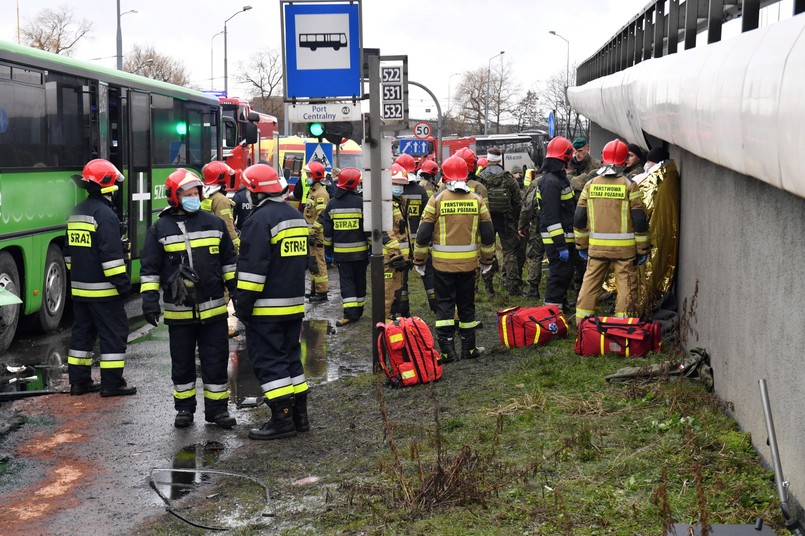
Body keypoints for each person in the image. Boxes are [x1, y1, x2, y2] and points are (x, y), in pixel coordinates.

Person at [140, 168, 237, 429]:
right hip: (179, 311)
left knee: (215, 361)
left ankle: (218, 411)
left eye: (196, 193)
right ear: (174, 196)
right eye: (187, 194)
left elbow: (229, 262)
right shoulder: (160, 228)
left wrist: (237, 291)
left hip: (214, 310)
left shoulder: (214, 223)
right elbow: (150, 269)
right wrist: (149, 300)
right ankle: (184, 409)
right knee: (182, 363)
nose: (193, 197)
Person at [234, 164, 309, 440]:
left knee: (270, 361)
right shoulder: (296, 217)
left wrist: (243, 307)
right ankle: (300, 417)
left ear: (255, 192)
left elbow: (252, 273)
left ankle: (282, 421)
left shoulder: (258, 221)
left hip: (266, 308)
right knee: (291, 359)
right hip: (294, 304)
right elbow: (303, 263)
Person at [414, 155, 496, 363]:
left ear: (445, 176)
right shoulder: (477, 200)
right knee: (467, 304)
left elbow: (423, 234)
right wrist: (487, 260)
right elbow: (488, 234)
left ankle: (447, 351)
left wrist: (419, 260)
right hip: (469, 264)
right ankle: (468, 349)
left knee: (444, 305)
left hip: (442, 265)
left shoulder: (437, 200)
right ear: (466, 175)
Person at [65, 159, 136, 397]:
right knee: (114, 333)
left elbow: (68, 253)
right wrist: (123, 286)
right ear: (109, 185)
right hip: (104, 292)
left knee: (82, 335)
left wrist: (80, 274)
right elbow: (111, 258)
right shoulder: (105, 215)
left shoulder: (76, 212)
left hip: (80, 290)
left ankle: (79, 382)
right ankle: (112, 384)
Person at [574, 139, 649, 320]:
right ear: (624, 160)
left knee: (590, 285)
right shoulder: (629, 185)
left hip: (596, 249)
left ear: (603, 159)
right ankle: (624, 326)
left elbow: (579, 218)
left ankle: (582, 323)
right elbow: (640, 221)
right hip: (625, 251)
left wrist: (581, 245)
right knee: (626, 288)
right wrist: (642, 249)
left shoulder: (590, 185)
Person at [318, 168, 369, 326]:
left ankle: (350, 314)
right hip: (361, 253)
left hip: (341, 255)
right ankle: (358, 310)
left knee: (347, 283)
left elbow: (327, 232)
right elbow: (368, 229)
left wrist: (328, 251)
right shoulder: (361, 203)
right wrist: (371, 249)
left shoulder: (332, 204)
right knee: (360, 280)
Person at [538, 137, 577, 312]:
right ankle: (551, 313)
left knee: (564, 274)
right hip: (556, 239)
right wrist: (560, 245)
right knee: (559, 275)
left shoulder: (557, 178)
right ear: (565, 156)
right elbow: (551, 216)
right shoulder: (551, 182)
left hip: (564, 237)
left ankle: (560, 307)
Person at [480, 148, 523, 296]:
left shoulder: (481, 177)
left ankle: (488, 287)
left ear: (488, 159)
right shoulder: (508, 177)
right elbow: (517, 201)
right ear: (500, 160)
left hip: (487, 220)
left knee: (487, 250)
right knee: (510, 251)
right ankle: (512, 286)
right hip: (506, 219)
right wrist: (515, 220)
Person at [395, 154, 429, 315]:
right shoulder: (421, 191)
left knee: (401, 280)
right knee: (428, 276)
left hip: (400, 242)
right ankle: (436, 305)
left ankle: (403, 311)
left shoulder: (393, 192)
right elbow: (427, 217)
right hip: (419, 241)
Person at [301, 161, 331, 303]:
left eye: (309, 175)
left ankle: (322, 292)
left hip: (317, 235)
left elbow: (322, 215)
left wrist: (314, 232)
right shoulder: (313, 191)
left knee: (319, 262)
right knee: (313, 262)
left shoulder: (320, 194)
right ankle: (315, 289)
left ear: (315, 176)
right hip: (311, 234)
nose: (307, 178)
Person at [384, 164, 410, 321]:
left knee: (397, 288)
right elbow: (385, 232)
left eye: (401, 184)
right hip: (389, 258)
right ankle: (386, 319)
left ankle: (393, 316)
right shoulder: (385, 203)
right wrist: (395, 255)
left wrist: (408, 256)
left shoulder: (400, 203)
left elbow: (403, 232)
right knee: (388, 289)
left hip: (399, 258)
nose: (399, 187)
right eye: (395, 183)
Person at [517, 169, 545, 298]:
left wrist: (521, 225)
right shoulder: (564, 181)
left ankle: (534, 289)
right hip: (559, 226)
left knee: (535, 256)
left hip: (538, 226)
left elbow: (527, 207)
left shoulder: (537, 183)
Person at [201, 161, 240, 253]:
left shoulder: (204, 195)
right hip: (220, 247)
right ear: (223, 177)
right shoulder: (221, 200)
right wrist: (238, 249)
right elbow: (228, 228)